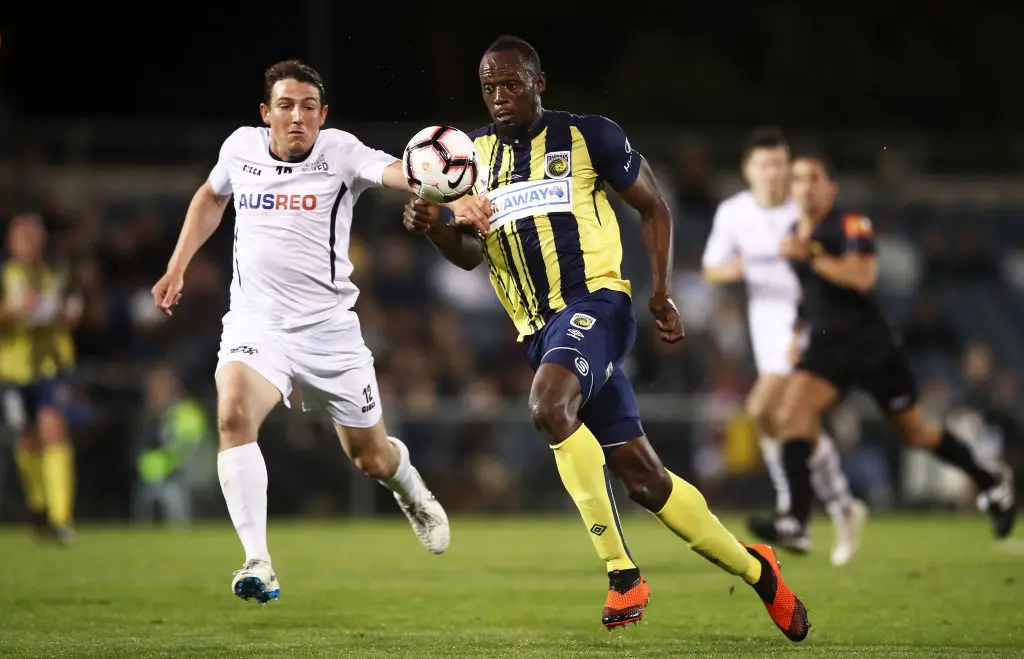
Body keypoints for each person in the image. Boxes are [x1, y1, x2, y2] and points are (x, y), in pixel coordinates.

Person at [402, 35, 809, 641]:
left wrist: (661, 292)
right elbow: (468, 256)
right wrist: (436, 226)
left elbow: (655, 207)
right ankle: (761, 572)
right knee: (645, 478)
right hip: (539, 332)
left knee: (546, 405)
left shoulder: (589, 135)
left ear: (540, 82)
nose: (499, 96)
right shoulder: (470, 159)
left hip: (596, 304)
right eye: (489, 86)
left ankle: (622, 574)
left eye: (511, 83)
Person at [151, 59, 465, 605]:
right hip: (257, 326)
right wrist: (178, 264)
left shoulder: (340, 151)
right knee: (231, 415)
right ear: (266, 113)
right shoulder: (240, 149)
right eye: (286, 105)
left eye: (308, 107)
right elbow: (211, 196)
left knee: (371, 459)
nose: (297, 117)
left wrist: (447, 193)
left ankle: (409, 488)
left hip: (329, 335)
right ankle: (258, 561)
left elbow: (396, 172)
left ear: (323, 115)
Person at [767, 151, 1016, 545]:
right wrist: (798, 333)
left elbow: (861, 277)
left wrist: (811, 255)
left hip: (870, 347)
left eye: (814, 178)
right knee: (792, 416)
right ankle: (796, 522)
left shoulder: (849, 224)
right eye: (798, 179)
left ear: (831, 187)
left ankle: (991, 482)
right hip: (829, 349)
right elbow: (810, 296)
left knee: (916, 433)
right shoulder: (799, 233)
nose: (805, 186)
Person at [702, 127, 867, 565]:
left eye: (781, 164)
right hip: (766, 331)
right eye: (766, 165)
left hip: (808, 328)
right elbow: (711, 270)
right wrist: (746, 264)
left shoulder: (805, 211)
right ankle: (841, 506)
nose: (775, 173)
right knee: (796, 423)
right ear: (748, 170)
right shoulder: (734, 213)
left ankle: (794, 510)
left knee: (761, 410)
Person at [1, 212, 81, 545]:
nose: (31, 243)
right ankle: (39, 507)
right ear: (12, 241)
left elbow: (73, 305)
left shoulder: (56, 273)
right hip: (13, 370)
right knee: (27, 440)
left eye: (36, 237)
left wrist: (69, 313)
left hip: (50, 367)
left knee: (54, 430)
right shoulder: (6, 274)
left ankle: (61, 519)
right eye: (25, 237)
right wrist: (13, 310)